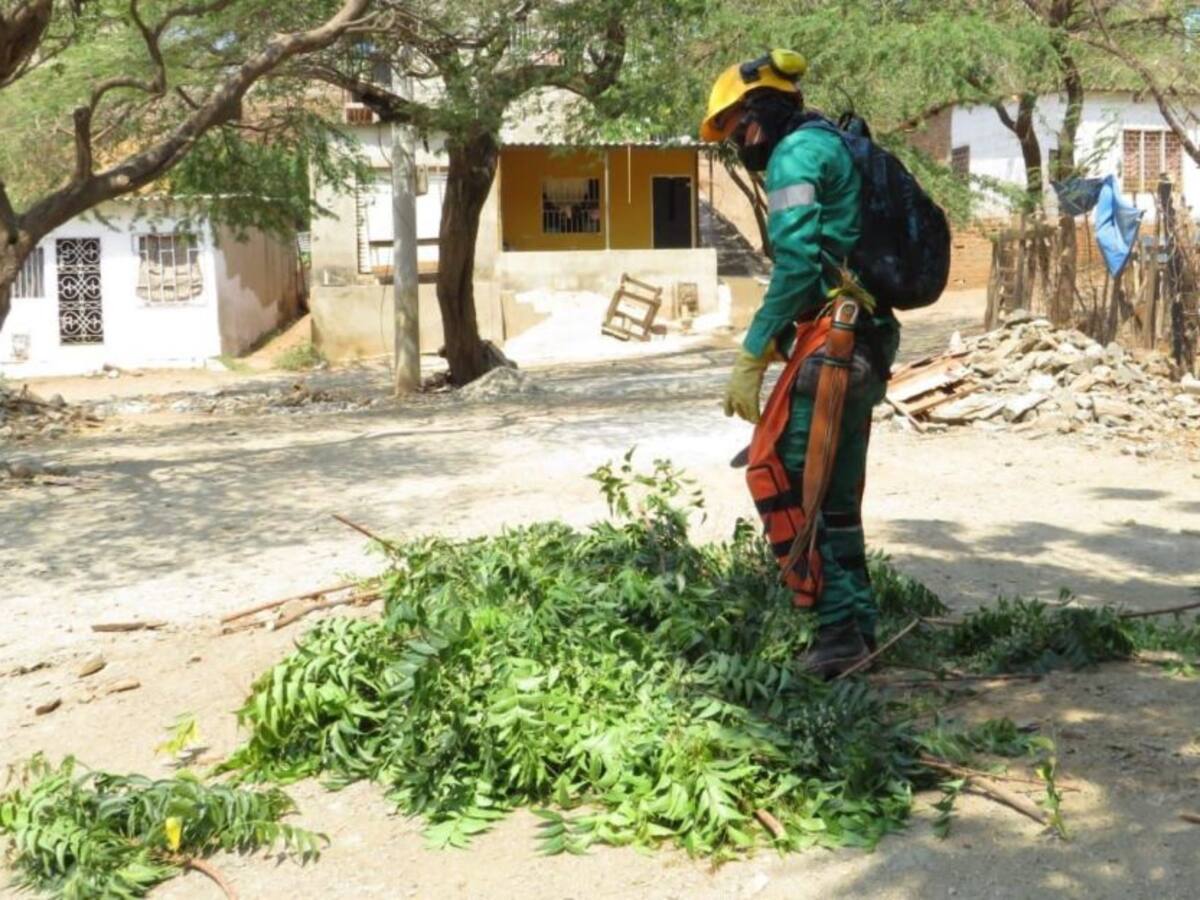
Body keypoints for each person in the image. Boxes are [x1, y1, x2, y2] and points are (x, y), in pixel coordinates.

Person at [700, 50, 901, 679]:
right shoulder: (831, 144)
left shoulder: (795, 154)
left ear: (759, 112)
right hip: (866, 340)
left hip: (834, 348)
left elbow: (795, 264)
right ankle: (859, 630)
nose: (739, 146)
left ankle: (835, 631)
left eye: (737, 130)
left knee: (781, 478)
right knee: (835, 495)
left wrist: (753, 351)